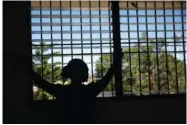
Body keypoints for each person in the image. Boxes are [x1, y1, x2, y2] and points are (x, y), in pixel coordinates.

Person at [29, 49, 123, 123]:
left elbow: (41, 82)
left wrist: (27, 67)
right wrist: (116, 61)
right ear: (83, 73)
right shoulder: (90, 91)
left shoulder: (61, 91)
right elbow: (108, 77)